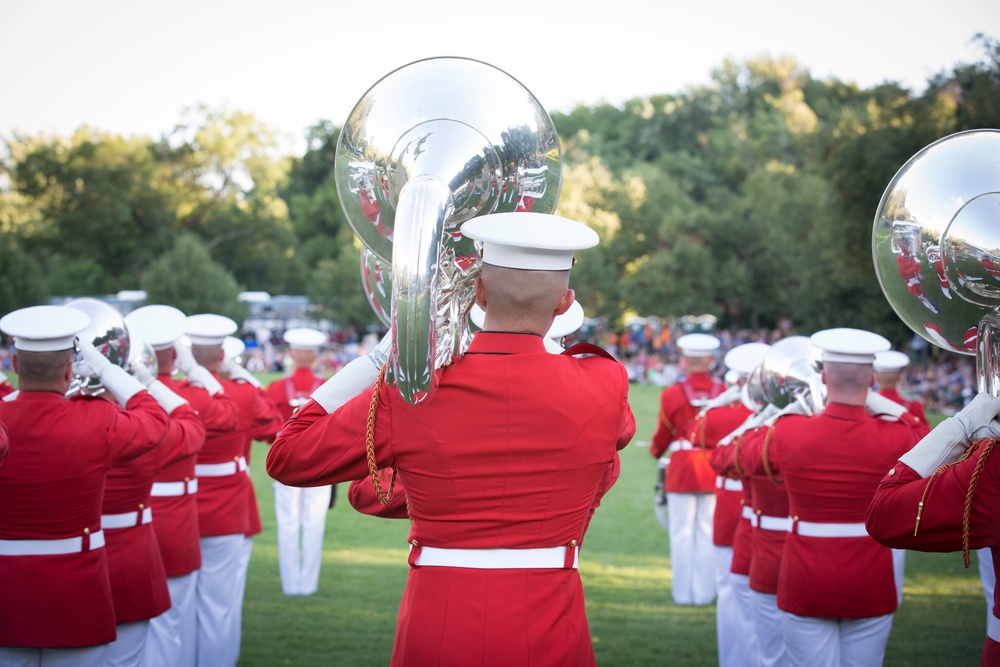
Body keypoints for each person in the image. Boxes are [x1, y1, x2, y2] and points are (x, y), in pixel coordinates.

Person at [267, 212, 636, 666]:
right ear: (565, 303)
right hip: (552, 619)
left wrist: (382, 358)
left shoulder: (415, 391)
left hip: (438, 616)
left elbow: (288, 457)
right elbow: (612, 445)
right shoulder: (605, 381)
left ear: (478, 292)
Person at [738, 328, 928, 667]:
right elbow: (926, 441)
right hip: (870, 580)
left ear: (823, 376)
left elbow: (744, 456)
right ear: (872, 379)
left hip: (804, 580)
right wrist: (886, 406)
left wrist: (777, 413)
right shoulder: (897, 433)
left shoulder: (789, 430)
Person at [0, 305, 170, 667]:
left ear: (15, 367)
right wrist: (107, 369)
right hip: (76, 592)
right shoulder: (95, 419)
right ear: (68, 370)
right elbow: (156, 418)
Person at [126, 304, 240, 667]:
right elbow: (230, 412)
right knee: (178, 619)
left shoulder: (125, 405)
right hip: (176, 520)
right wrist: (198, 374)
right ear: (177, 354)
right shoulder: (191, 397)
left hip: (131, 523)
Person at [865, 391, 1000, 666]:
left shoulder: (994, 465)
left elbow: (884, 513)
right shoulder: (908, 415)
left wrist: (959, 426)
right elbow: (917, 430)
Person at [183, 314, 279, 667]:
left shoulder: (174, 393)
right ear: (222, 353)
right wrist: (251, 382)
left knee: (178, 608)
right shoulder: (241, 393)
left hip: (178, 506)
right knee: (220, 606)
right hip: (227, 504)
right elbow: (276, 428)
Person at [691, 341, 769, 667]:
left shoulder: (719, 414)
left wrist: (714, 406)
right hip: (763, 507)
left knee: (728, 587)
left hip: (729, 504)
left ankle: (735, 659)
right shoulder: (774, 416)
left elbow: (696, 436)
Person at [650, 332, 725, 605]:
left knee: (680, 533)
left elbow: (662, 435)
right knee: (707, 530)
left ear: (684, 359)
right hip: (714, 467)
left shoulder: (672, 393)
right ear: (710, 359)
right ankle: (705, 593)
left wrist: (656, 452)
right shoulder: (725, 393)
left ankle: (682, 593)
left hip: (682, 468)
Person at [267, 327, 333, 596]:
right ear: (315, 357)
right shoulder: (329, 386)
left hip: (285, 463)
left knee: (287, 522)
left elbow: (268, 424)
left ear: (292, 355)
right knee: (314, 523)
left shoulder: (275, 388)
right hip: (318, 461)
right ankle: (308, 585)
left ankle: (290, 584)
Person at [874, 349, 928, 424]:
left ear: (876, 377)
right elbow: (925, 433)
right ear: (899, 377)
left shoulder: (867, 406)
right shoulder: (914, 407)